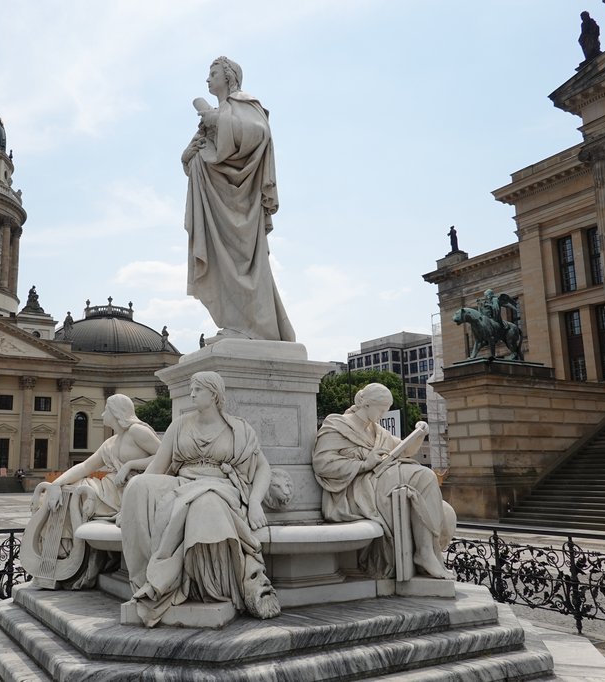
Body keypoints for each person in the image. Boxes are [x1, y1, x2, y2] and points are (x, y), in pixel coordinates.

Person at [121, 371, 280, 627]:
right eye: (191, 389)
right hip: (182, 483)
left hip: (221, 486)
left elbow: (263, 468)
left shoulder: (238, 428)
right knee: (139, 485)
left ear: (214, 394)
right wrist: (129, 500)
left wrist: (254, 504)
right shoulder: (180, 424)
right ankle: (146, 579)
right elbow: (157, 467)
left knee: (205, 502)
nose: (191, 394)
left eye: (198, 390)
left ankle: (203, 585)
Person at [182, 57, 295, 343]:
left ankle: (253, 327)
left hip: (241, 203)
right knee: (222, 264)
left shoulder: (244, 104)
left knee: (244, 261)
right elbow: (202, 155)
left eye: (213, 73)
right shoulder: (220, 113)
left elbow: (259, 133)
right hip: (216, 203)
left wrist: (216, 118)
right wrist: (188, 155)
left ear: (229, 76)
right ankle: (234, 324)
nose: (208, 80)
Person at [20, 394, 160, 589]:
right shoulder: (111, 442)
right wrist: (56, 484)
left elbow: (164, 456)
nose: (102, 414)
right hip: (108, 490)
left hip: (129, 492)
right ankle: (59, 558)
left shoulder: (137, 432)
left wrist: (130, 465)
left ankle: (64, 559)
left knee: (74, 497)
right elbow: (86, 466)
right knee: (65, 493)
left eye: (106, 410)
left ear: (116, 412)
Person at [313, 383, 450, 580]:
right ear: (367, 404)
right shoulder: (336, 424)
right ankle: (424, 552)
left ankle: (426, 550)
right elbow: (322, 464)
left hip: (381, 479)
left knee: (424, 476)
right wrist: (364, 464)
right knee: (424, 476)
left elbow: (405, 450)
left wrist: (419, 433)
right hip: (356, 488)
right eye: (382, 408)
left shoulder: (378, 431)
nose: (384, 414)